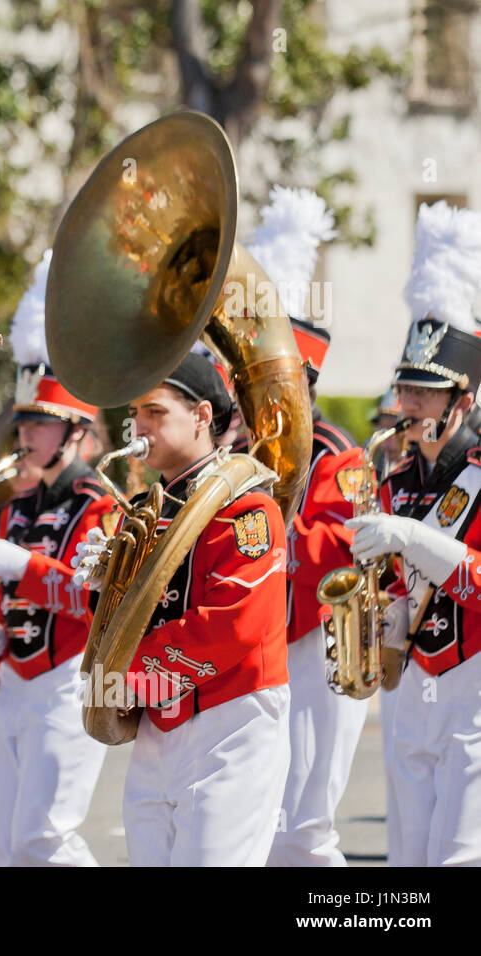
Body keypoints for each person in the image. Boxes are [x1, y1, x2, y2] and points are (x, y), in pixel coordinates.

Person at [73, 353, 291, 866]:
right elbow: (122, 623)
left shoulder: (246, 509)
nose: (139, 426)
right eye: (136, 413)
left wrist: (127, 675)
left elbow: (236, 623)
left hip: (230, 721)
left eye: (155, 411)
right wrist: (102, 591)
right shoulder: (148, 509)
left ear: (201, 416)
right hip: (159, 725)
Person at [0, 248, 115, 866]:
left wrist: (21, 568)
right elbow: (4, 599)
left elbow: (92, 597)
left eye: (42, 424)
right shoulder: (13, 501)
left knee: (44, 838)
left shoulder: (97, 504)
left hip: (67, 681)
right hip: (13, 682)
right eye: (24, 422)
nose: (25, 434)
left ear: (76, 429)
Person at [234, 187, 369, 867]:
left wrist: (255, 550)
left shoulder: (336, 452)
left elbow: (336, 547)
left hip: (316, 648)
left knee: (304, 832)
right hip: (256, 651)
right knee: (257, 827)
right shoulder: (239, 451)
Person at [344, 200, 481, 866]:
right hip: (409, 688)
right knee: (407, 862)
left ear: (464, 399)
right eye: (406, 390)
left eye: (426, 393)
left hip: (474, 688)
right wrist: (382, 622)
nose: (409, 405)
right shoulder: (396, 481)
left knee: (457, 860)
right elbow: (402, 588)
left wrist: (407, 537)